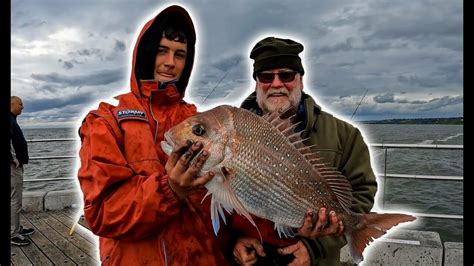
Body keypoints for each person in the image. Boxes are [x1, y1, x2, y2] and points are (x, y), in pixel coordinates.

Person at [77, 5, 233, 265]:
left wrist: (243, 237)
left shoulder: (201, 123)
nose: (170, 63)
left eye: (180, 54)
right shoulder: (105, 121)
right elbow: (102, 213)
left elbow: (227, 199)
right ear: (146, 53)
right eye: (162, 51)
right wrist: (169, 189)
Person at [232, 37, 378, 265]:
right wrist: (233, 241)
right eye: (266, 77)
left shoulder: (345, 135)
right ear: (257, 83)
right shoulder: (231, 133)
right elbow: (217, 203)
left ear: (300, 80)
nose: (277, 84)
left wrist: (316, 247)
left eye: (287, 75)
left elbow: (360, 193)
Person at [10, 96, 35, 246]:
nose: (22, 107)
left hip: (14, 166)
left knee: (13, 200)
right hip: (13, 167)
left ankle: (16, 228)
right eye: (20, 104)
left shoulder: (12, 119)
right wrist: (13, 158)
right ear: (11, 104)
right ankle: (13, 234)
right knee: (15, 200)